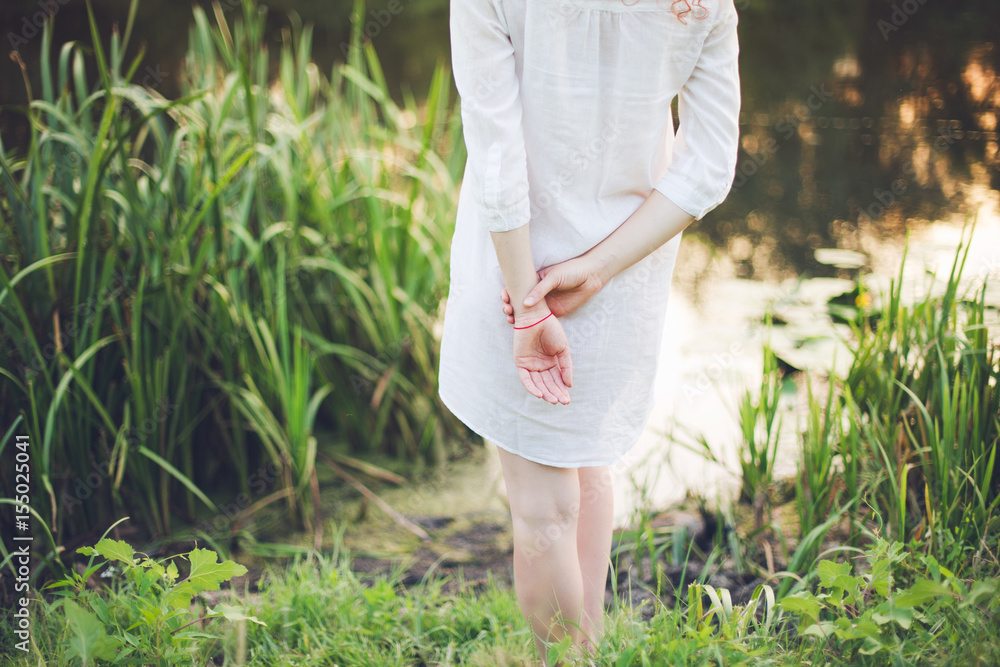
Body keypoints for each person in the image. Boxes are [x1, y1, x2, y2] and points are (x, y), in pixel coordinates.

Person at [438, 0, 741, 662]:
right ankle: (589, 653)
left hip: (515, 267)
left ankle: (570, 659)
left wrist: (528, 304)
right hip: (622, 264)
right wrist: (599, 268)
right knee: (587, 468)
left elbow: (497, 156)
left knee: (544, 508)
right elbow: (707, 166)